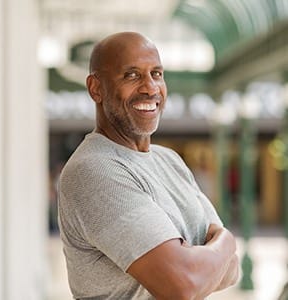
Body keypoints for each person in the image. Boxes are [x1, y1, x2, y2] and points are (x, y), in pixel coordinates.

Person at [58, 31, 239, 300]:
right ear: (96, 88)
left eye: (156, 74)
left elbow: (232, 270)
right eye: (131, 75)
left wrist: (205, 259)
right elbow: (183, 285)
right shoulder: (94, 170)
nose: (150, 88)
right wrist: (226, 243)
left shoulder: (169, 160)